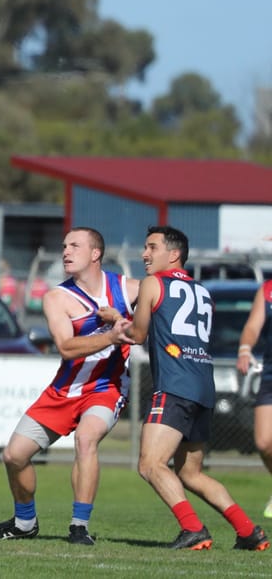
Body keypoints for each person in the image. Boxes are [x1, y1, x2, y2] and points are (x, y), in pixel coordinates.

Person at [0, 227, 138, 545]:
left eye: (75, 246)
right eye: (64, 246)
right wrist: (111, 334)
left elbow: (157, 316)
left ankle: (79, 526)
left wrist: (126, 321)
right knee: (14, 455)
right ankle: (25, 523)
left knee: (86, 439)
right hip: (64, 389)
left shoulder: (130, 288)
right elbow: (66, 347)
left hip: (106, 386)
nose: (66, 251)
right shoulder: (56, 297)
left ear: (95, 253)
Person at [125, 225, 268, 550]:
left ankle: (193, 529)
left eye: (152, 247)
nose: (144, 254)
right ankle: (248, 531)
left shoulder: (153, 283)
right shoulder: (203, 291)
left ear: (174, 254)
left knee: (150, 464)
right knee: (190, 473)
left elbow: (138, 335)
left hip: (174, 385)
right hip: (203, 387)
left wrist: (113, 321)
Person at [235, 277, 272, 519]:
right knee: (264, 442)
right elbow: (252, 327)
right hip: (270, 374)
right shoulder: (268, 289)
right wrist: (245, 349)